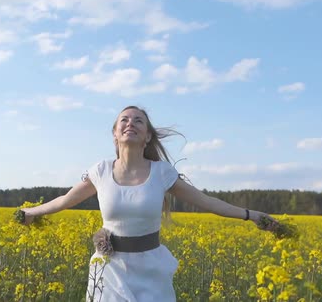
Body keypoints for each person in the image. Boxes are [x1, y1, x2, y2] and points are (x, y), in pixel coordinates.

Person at [21, 105, 275, 301]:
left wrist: (251, 215)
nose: (130, 123)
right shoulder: (100, 170)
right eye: (124, 119)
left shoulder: (162, 172)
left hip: (151, 269)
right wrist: (29, 212)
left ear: (147, 136)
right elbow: (66, 200)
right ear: (115, 134)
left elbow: (206, 202)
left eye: (138, 120)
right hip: (108, 270)